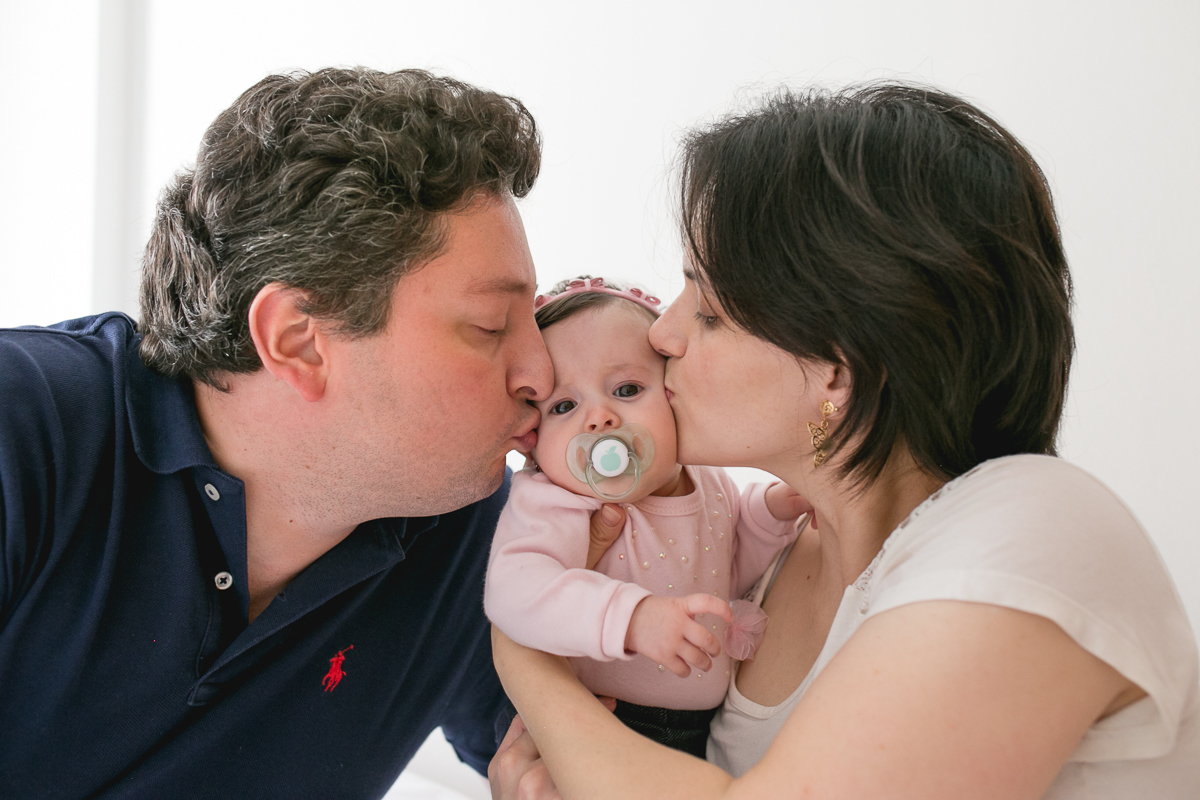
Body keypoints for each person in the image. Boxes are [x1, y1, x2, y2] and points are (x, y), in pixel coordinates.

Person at [488, 83, 1200, 799]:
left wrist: (527, 662)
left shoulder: (1035, 527)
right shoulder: (767, 565)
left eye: (707, 311)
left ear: (838, 367)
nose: (662, 334)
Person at [0, 67, 557, 799]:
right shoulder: (25, 430)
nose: (542, 374)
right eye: (490, 326)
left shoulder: (474, 541)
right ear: (298, 340)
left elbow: (594, 765)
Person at [483, 276, 807, 756]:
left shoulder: (705, 477)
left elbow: (730, 566)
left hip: (699, 726)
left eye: (627, 388)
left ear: (673, 392)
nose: (599, 419)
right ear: (533, 441)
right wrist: (631, 619)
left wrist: (772, 511)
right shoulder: (557, 498)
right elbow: (515, 591)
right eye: (565, 406)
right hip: (600, 716)